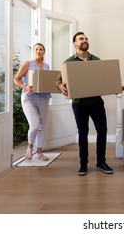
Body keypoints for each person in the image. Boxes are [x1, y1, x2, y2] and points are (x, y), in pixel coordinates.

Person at [56, 32, 113, 176]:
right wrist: (60, 86)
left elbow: (104, 79)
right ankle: (83, 164)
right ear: (75, 44)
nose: (85, 40)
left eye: (86, 38)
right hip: (79, 104)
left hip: (96, 102)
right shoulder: (68, 62)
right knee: (83, 133)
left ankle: (101, 161)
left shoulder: (97, 60)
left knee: (102, 131)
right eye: (81, 39)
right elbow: (58, 81)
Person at [14, 43, 51, 161]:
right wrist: (25, 87)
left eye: (41, 49)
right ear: (34, 51)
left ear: (44, 52)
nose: (38, 51)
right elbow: (16, 79)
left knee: (41, 126)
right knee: (34, 125)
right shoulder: (27, 64)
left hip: (44, 97)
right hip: (29, 98)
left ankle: (39, 152)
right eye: (36, 49)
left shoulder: (46, 66)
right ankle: (29, 148)